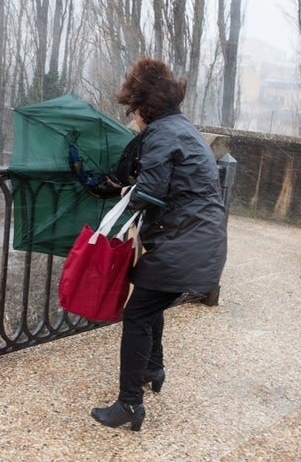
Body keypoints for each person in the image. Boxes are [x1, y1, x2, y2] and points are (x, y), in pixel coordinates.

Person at [91, 57, 227, 431]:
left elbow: (150, 193)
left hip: (185, 244)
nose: (133, 119)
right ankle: (154, 368)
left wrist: (118, 195)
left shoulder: (162, 135)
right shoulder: (181, 128)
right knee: (151, 302)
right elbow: (172, 186)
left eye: (134, 111)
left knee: (136, 314)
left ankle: (130, 405)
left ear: (143, 109)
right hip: (201, 242)